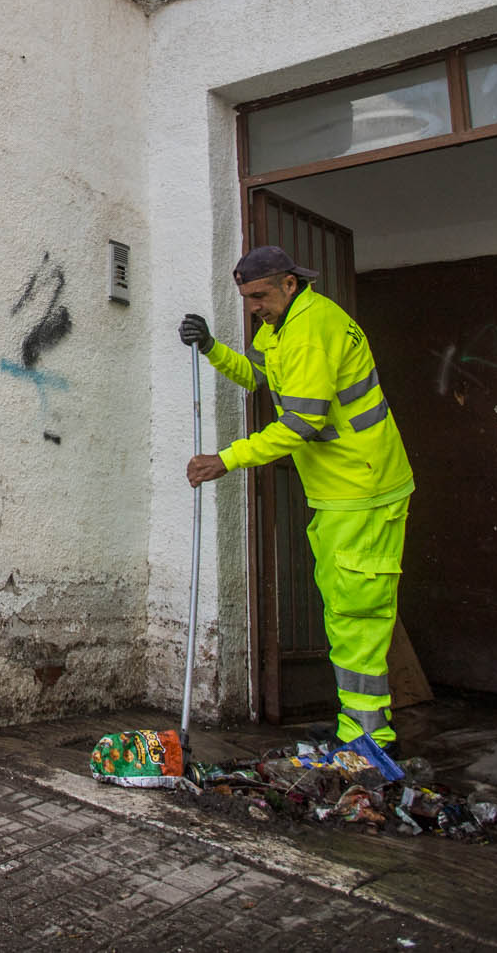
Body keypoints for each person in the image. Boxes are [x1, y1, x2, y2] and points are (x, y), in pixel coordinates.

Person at [180, 246, 413, 773]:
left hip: (364, 489)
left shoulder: (312, 328)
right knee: (344, 610)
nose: (254, 307)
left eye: (259, 296)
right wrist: (213, 348)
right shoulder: (282, 325)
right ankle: (357, 727)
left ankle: (371, 738)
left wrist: (227, 458)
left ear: (288, 283)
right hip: (340, 491)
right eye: (246, 299)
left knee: (358, 613)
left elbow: (303, 423)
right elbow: (256, 376)